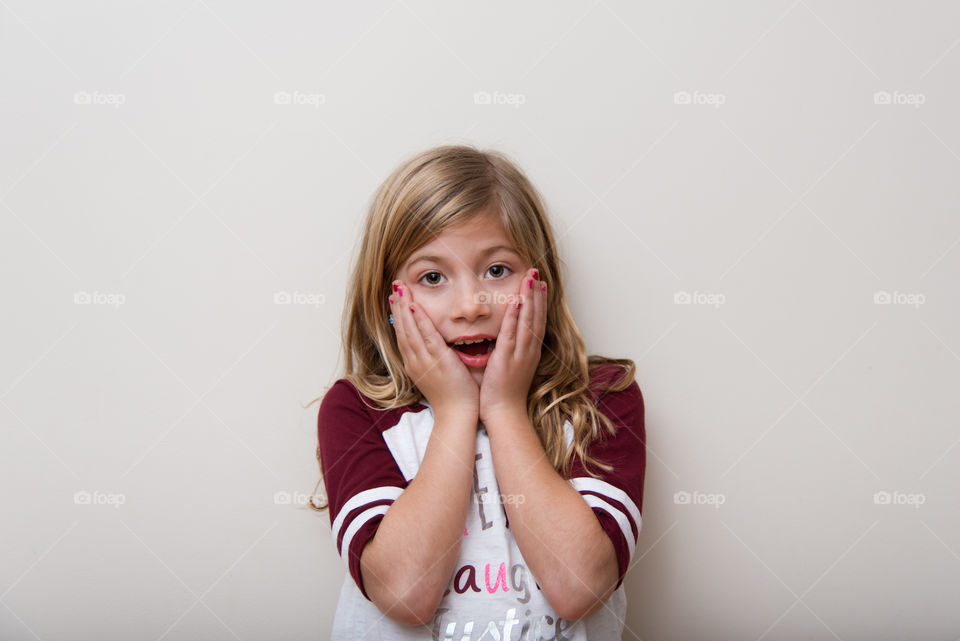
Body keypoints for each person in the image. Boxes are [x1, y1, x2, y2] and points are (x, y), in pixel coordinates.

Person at [312, 144, 646, 640]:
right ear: (389, 302)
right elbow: (405, 595)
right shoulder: (357, 410)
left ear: (542, 281)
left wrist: (505, 408)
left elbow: (579, 589)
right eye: (432, 277)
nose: (471, 306)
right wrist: (454, 412)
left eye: (497, 270)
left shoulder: (601, 399)